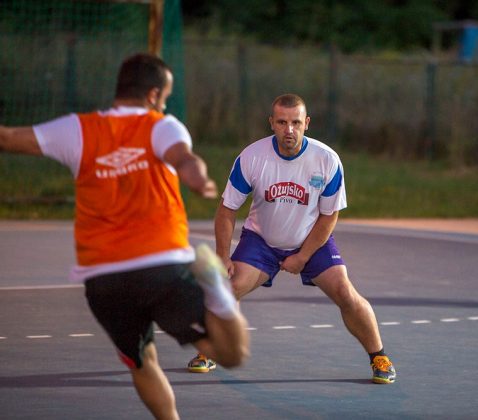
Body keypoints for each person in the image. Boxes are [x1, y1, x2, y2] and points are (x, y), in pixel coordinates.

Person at [0, 53, 250, 419]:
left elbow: (7, 138)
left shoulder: (76, 129)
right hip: (162, 267)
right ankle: (217, 290)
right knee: (231, 354)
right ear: (153, 95)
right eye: (165, 98)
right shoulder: (161, 126)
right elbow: (184, 158)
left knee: (141, 361)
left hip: (104, 281)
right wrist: (196, 178)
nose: (164, 105)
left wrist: (191, 170)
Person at [186, 93, 396, 384]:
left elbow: (329, 217)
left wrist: (303, 256)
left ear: (306, 123)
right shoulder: (252, 157)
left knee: (345, 292)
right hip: (262, 241)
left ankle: (379, 357)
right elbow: (227, 210)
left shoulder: (326, 160)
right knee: (228, 288)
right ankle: (210, 349)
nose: (289, 130)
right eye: (282, 122)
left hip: (311, 240)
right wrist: (222, 256)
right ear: (271, 123)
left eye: (296, 122)